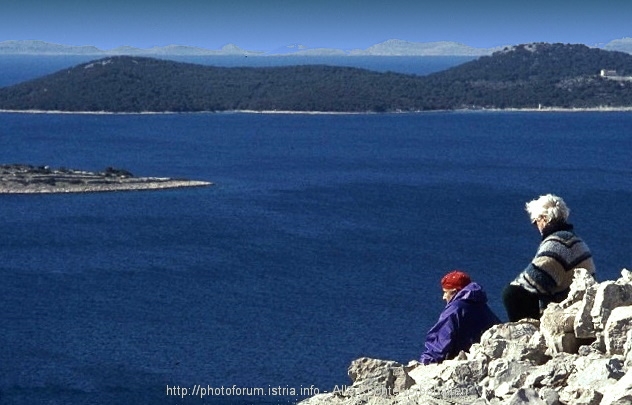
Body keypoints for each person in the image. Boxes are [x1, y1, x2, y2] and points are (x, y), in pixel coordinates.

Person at [502, 194, 596, 322]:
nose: (536, 227)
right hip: (580, 302)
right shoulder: (574, 240)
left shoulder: (558, 244)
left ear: (544, 219)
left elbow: (532, 280)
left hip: (566, 309)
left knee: (511, 294)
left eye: (535, 222)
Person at [419, 270, 501, 365]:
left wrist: (425, 364)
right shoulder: (483, 307)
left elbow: (439, 343)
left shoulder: (454, 310)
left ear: (454, 292)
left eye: (446, 292)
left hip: (459, 364)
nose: (444, 297)